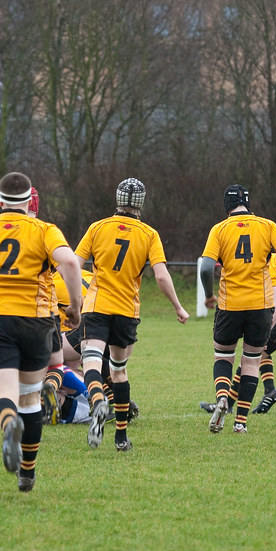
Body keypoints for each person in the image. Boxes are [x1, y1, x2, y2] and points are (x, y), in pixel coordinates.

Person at [0, 171, 83, 493]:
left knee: (3, 395)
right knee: (29, 399)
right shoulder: (45, 230)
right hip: (36, 323)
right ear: (28, 201)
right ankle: (28, 472)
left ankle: (8, 424)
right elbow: (70, 263)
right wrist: (75, 308)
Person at [74, 177, 190, 451]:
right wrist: (177, 305)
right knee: (118, 370)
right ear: (141, 203)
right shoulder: (149, 234)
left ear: (117, 200)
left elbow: (73, 264)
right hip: (127, 311)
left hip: (97, 306)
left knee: (90, 361)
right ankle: (121, 437)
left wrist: (73, 298)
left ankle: (98, 400)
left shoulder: (97, 227)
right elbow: (161, 276)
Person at [199, 184, 276, 434]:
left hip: (230, 306)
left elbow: (206, 268)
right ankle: (240, 421)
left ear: (227, 206)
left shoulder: (219, 229)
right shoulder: (267, 226)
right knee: (252, 362)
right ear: (248, 203)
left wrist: (210, 295)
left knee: (223, 356)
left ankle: (222, 398)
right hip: (261, 306)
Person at [199, 251, 276, 416]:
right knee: (260, 354)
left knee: (251, 356)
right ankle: (270, 391)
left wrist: (265, 333)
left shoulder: (271, 264)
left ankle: (227, 404)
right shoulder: (274, 259)